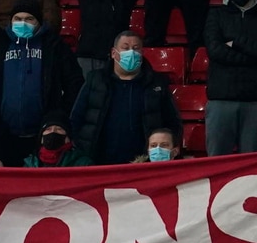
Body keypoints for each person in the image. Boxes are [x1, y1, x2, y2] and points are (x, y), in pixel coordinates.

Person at [0, 5, 84, 160]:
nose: (23, 22)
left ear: (38, 22)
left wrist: (60, 115)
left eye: (29, 19)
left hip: (43, 134)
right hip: (3, 133)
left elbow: (74, 81)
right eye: (18, 19)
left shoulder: (54, 45)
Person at [69, 32, 184, 165]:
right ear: (113, 53)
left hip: (142, 163)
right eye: (125, 47)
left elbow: (173, 122)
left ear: (142, 53)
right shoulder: (95, 79)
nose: (131, 52)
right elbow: (76, 118)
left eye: (136, 48)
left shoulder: (157, 82)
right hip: (99, 161)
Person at [200, 0, 257, 155]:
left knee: (252, 166)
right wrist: (252, 52)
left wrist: (235, 43)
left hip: (254, 101)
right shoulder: (216, 14)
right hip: (220, 100)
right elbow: (215, 50)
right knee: (217, 163)